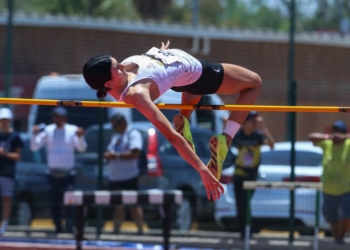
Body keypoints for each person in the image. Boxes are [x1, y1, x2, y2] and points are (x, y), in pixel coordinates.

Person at [82, 41, 262, 200]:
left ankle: (185, 120)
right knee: (254, 82)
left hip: (181, 75)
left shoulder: (123, 72)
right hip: (198, 73)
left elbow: (144, 63)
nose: (121, 65)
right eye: (117, 68)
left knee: (189, 83)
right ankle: (226, 140)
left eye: (117, 62)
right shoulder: (138, 95)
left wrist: (158, 54)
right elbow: (171, 136)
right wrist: (202, 170)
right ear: (108, 84)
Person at [30, 107, 87, 234]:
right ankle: (58, 227)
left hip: (68, 174)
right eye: (55, 116)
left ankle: (69, 227)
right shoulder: (48, 130)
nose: (56, 119)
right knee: (53, 203)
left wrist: (80, 137)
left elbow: (82, 148)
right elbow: (34, 147)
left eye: (59, 116)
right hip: (52, 174)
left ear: (65, 118)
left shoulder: (72, 130)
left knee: (69, 202)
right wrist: (34, 134)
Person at [231, 111, 274, 239]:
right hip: (239, 174)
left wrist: (263, 128)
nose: (255, 124)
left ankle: (248, 231)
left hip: (251, 176)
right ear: (245, 123)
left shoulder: (258, 136)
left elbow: (272, 145)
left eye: (256, 121)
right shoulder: (239, 136)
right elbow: (226, 142)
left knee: (245, 203)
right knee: (239, 205)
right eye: (252, 121)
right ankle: (242, 233)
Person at [309, 120, 350, 245]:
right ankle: (337, 239)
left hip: (346, 188)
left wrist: (343, 137)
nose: (336, 134)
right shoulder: (327, 143)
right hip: (328, 189)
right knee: (331, 217)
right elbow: (311, 136)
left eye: (339, 131)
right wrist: (329, 137)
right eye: (334, 131)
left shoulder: (348, 143)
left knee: (347, 215)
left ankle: (341, 237)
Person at [104, 113, 144, 235]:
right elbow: (110, 151)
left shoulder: (133, 134)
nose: (114, 128)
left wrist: (116, 156)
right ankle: (116, 232)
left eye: (115, 125)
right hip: (115, 177)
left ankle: (141, 231)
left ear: (122, 123)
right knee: (118, 206)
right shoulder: (116, 136)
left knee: (133, 205)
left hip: (129, 176)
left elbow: (135, 153)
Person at [0, 108, 24, 234]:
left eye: (6, 119)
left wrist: (5, 153)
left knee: (6, 199)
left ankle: (4, 224)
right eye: (2, 119)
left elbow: (18, 156)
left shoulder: (15, 136)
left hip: (7, 172)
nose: (4, 122)